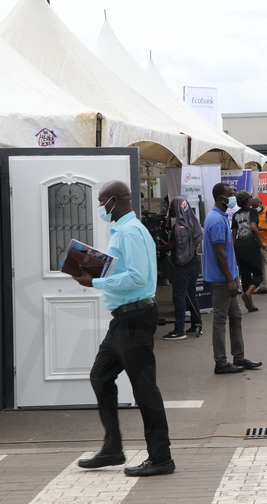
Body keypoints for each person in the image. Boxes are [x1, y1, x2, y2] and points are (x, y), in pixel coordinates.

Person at [72, 180, 174, 477]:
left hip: (135, 317)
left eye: (102, 201)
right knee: (100, 376)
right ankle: (112, 448)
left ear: (114, 200)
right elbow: (124, 271)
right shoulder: (123, 230)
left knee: (144, 389)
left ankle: (161, 457)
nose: (100, 207)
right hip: (124, 319)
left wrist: (95, 281)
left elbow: (137, 277)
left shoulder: (130, 232)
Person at [203, 183, 262, 374]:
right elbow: (220, 254)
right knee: (220, 320)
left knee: (235, 316)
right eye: (231, 194)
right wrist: (230, 280)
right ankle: (220, 362)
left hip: (229, 277)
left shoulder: (221, 216)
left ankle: (238, 357)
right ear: (221, 198)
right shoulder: (217, 220)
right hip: (223, 279)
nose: (234, 196)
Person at [159, 196, 203, 339]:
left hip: (182, 266)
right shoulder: (193, 222)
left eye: (171, 206)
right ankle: (197, 324)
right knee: (191, 294)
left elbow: (171, 246)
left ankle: (179, 330)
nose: (170, 209)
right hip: (194, 262)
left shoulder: (178, 227)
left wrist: (157, 246)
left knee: (178, 297)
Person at [231, 191, 263, 313]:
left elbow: (234, 233)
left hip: (239, 246)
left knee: (245, 274)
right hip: (251, 245)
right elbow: (254, 228)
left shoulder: (236, 214)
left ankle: (250, 304)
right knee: (258, 274)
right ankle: (248, 292)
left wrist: (233, 248)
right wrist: (261, 243)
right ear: (248, 200)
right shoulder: (252, 211)